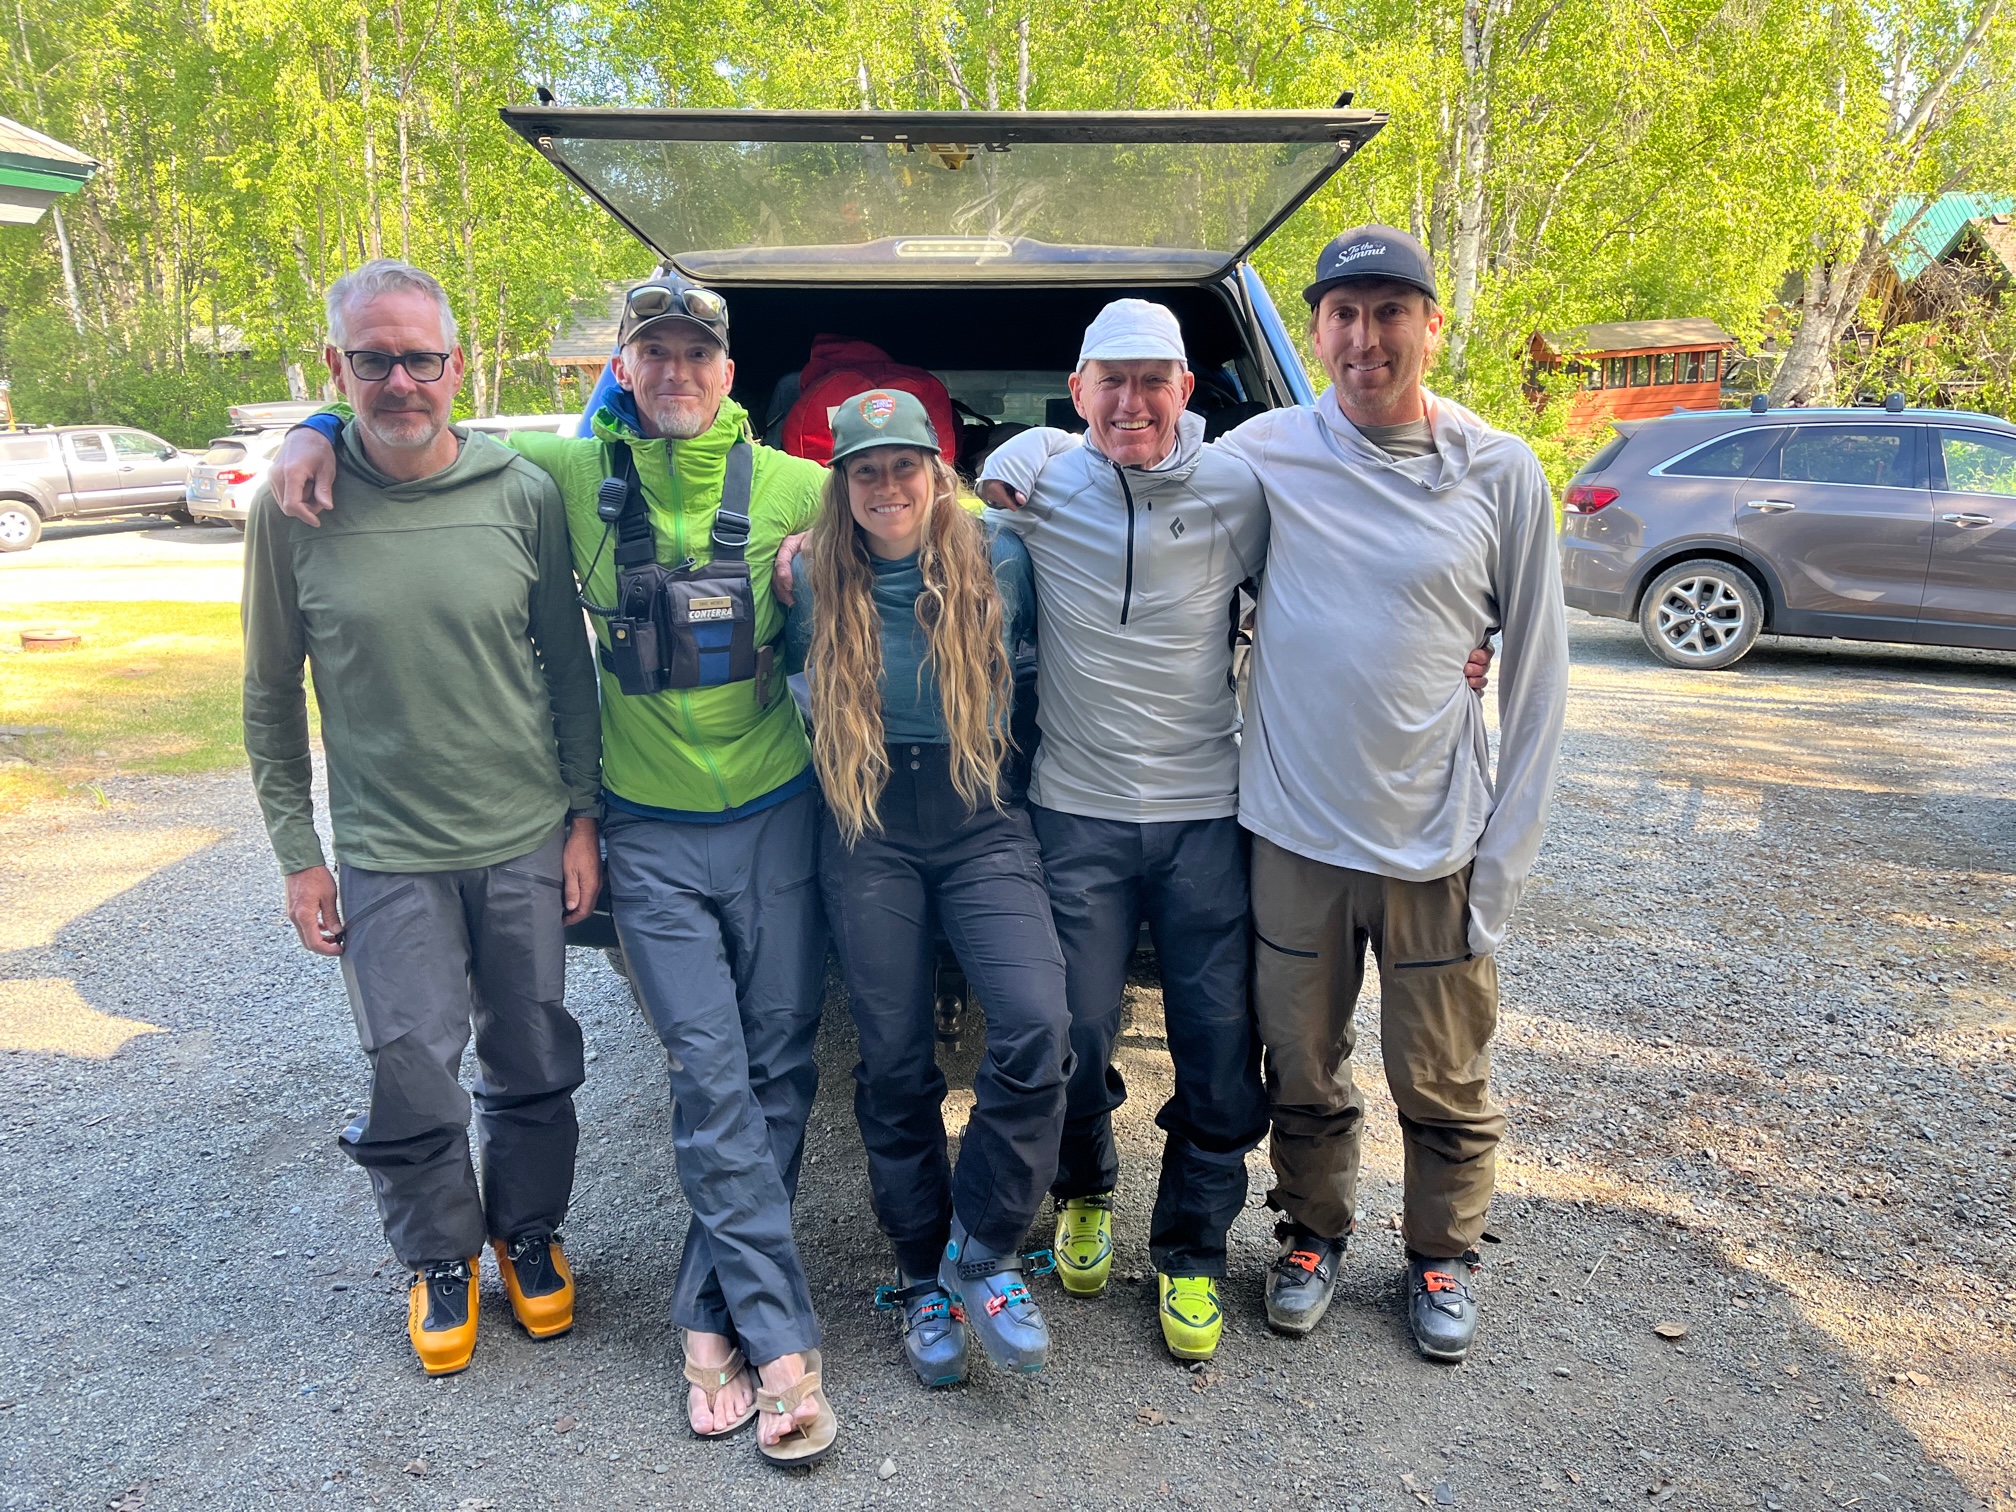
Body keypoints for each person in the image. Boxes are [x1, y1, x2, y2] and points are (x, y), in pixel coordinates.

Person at [264, 270, 836, 1464]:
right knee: (644, 1066)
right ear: (620, 369)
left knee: (700, 1063)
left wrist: (1021, 479)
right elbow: (276, 682)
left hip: (726, 817)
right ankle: (750, 1336)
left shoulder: (794, 489)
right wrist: (308, 430)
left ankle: (641, 1283)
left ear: (732, 374)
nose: (674, 372)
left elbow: (922, 521)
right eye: (652, 355)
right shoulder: (559, 480)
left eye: (696, 354)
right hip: (574, 837)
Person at [979, 248, 1542, 1363]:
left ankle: (1265, 1252)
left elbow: (1461, 613)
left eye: (1156, 381)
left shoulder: (1267, 475)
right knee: (1130, 1043)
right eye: (1109, 381)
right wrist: (1017, 449)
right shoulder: (1090, 481)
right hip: (1155, 819)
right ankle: (1165, 1204)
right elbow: (935, 522)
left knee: (1282, 1058)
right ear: (1078, 389)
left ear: (1190, 391)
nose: (1133, 402)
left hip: (1262, 818)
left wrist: (1466, 679)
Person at [241, 259, 602, 1377]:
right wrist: (300, 854)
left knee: (534, 1050)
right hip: (389, 852)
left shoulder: (519, 493)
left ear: (456, 367)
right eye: (373, 359)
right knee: (410, 1067)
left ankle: (527, 1234)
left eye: (421, 358)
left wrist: (582, 818)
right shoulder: (294, 505)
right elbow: (266, 691)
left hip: (522, 834)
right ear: (337, 366)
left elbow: (568, 668)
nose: (401, 382)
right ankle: (441, 1254)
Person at [783, 389, 1070, 1387]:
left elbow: (1040, 670)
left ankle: (981, 1249)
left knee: (1038, 1025)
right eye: (867, 470)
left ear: (936, 470)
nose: (888, 485)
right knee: (895, 1063)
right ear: (844, 484)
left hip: (979, 809)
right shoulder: (813, 571)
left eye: (905, 465)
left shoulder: (998, 556)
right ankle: (918, 1275)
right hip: (868, 822)